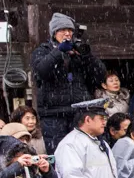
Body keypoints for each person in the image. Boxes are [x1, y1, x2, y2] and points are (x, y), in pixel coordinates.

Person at [31, 13, 108, 152]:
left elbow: (100, 75)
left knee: (84, 152)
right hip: (53, 114)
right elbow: (41, 72)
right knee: (59, 153)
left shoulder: (77, 51)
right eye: (62, 30)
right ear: (54, 33)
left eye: (70, 30)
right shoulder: (42, 51)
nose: (67, 33)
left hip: (79, 112)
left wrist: (87, 57)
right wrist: (58, 52)